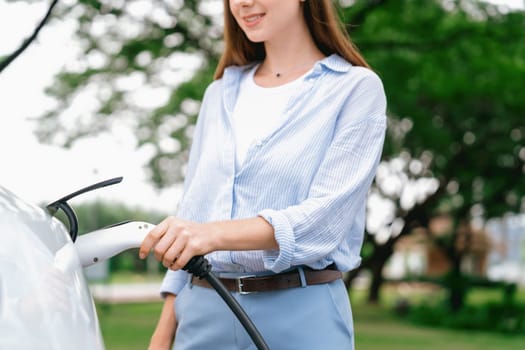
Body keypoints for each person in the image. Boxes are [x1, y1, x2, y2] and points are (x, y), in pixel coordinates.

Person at [139, 0, 387, 349]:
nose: (243, 2)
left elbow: (324, 222)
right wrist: (163, 333)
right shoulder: (219, 93)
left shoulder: (355, 89)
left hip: (302, 314)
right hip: (201, 311)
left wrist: (211, 235)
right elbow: (191, 214)